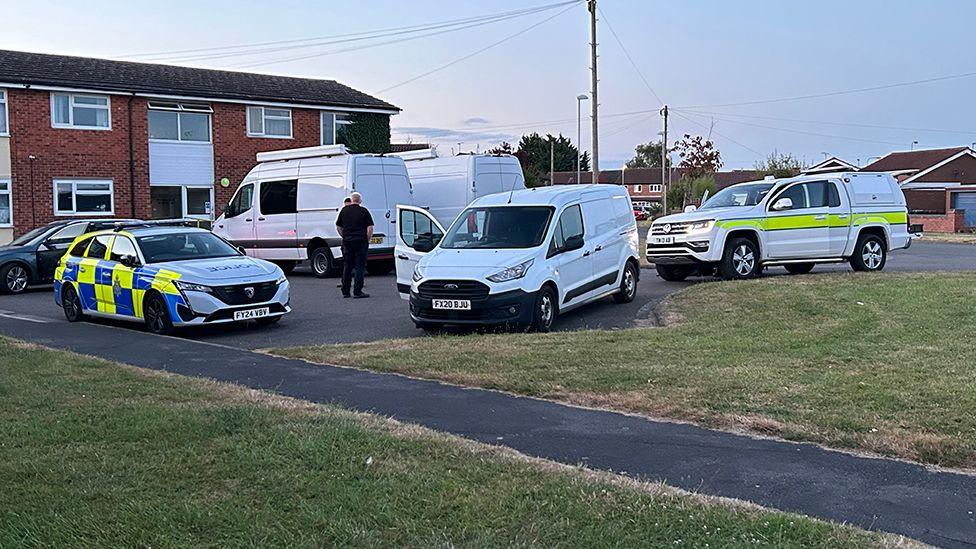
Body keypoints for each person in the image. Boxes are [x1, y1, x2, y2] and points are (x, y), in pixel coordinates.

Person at [335, 192, 373, 298]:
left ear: (351, 200)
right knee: (360, 267)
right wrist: (367, 239)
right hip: (361, 241)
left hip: (347, 241)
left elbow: (338, 226)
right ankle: (357, 291)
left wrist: (344, 236)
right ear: (360, 200)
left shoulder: (344, 211)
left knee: (347, 266)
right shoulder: (364, 211)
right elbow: (370, 228)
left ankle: (345, 291)